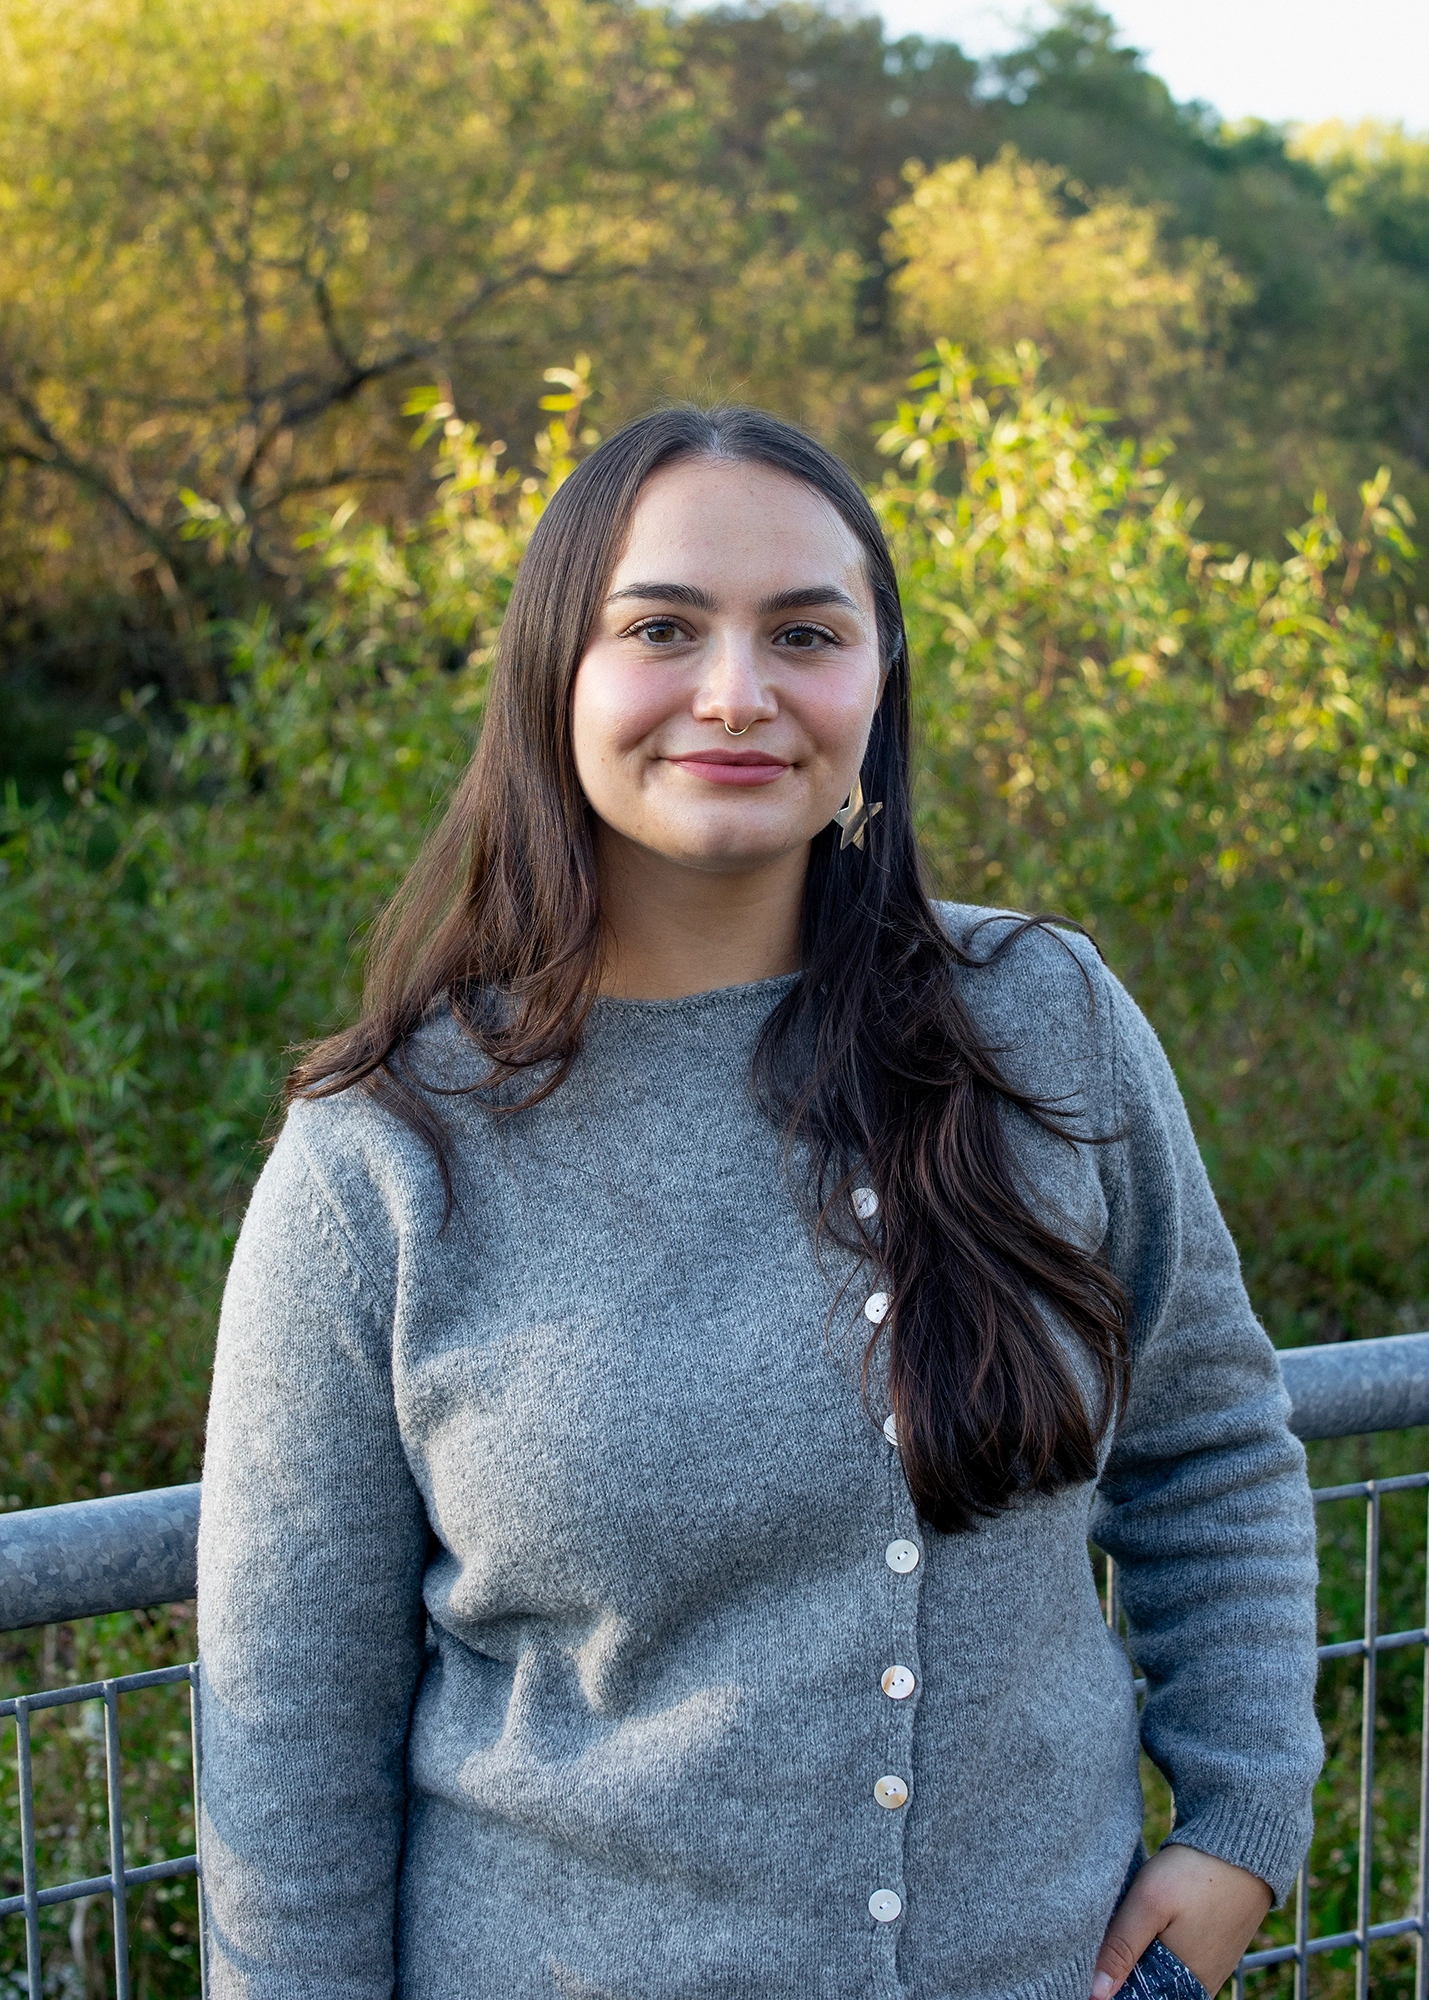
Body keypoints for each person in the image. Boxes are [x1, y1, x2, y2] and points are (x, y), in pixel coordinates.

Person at [197, 406, 1322, 2000]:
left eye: (807, 631)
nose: (738, 693)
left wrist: (1239, 1824)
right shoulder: (380, 1158)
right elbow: (285, 1740)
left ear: (878, 684)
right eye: (661, 627)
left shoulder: (1044, 1022)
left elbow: (1210, 1443)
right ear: (554, 677)